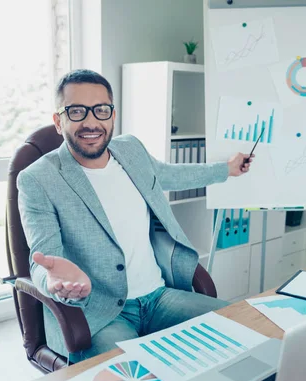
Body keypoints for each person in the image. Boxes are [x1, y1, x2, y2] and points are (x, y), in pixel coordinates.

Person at [17, 69, 254, 363]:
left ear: (112, 115)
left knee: (243, 331)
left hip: (159, 297)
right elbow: (42, 263)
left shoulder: (130, 150)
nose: (91, 122)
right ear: (58, 120)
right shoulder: (38, 179)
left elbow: (169, 175)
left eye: (100, 110)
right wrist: (56, 284)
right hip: (98, 313)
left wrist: (226, 170)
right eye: (76, 111)